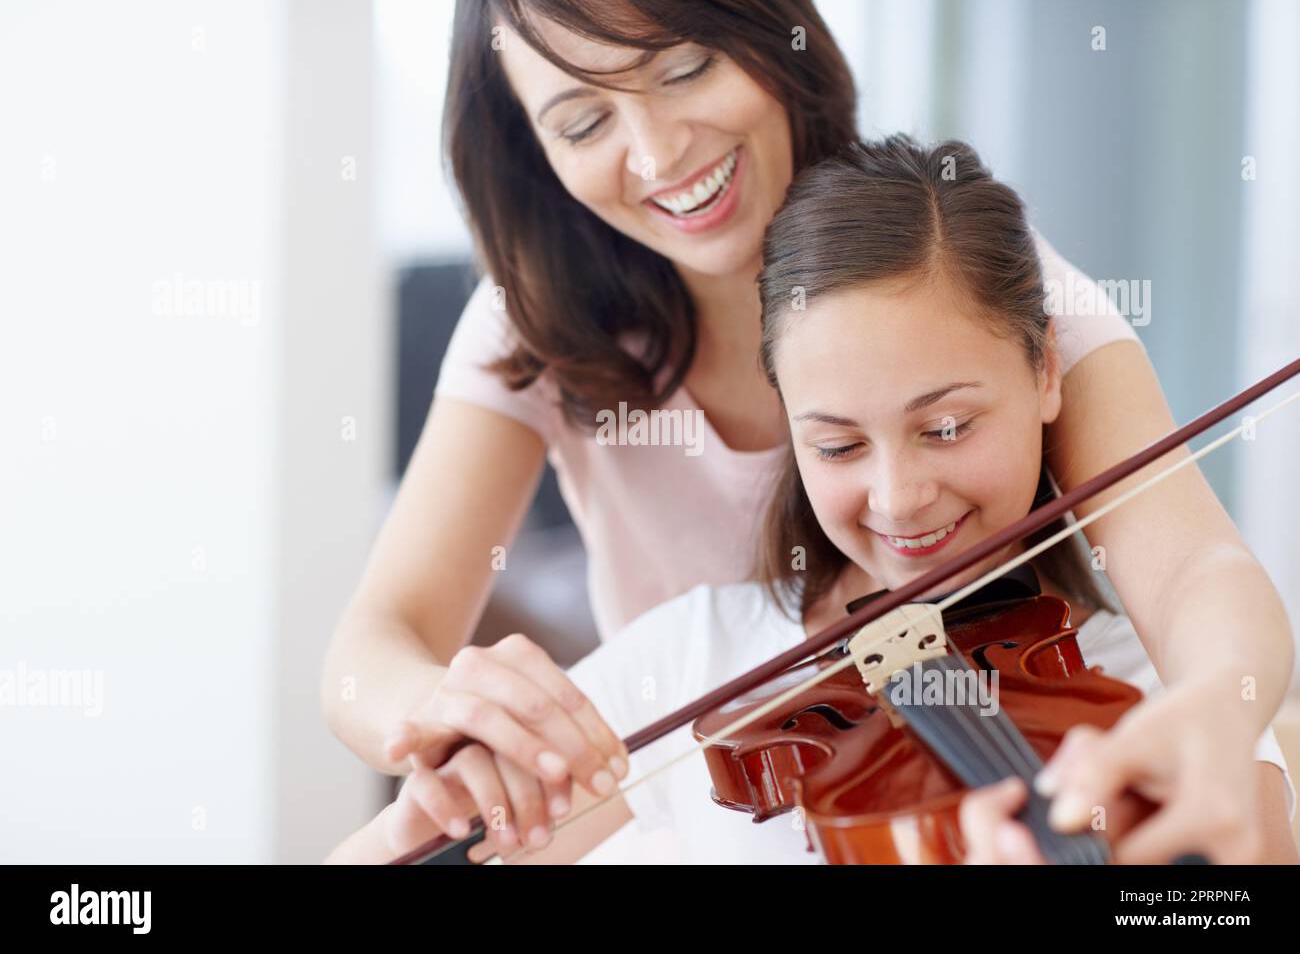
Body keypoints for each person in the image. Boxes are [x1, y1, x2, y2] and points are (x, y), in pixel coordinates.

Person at [325, 137, 1296, 865]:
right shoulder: (701, 661)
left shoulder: (1153, 686)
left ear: (1047, 369)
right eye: (835, 441)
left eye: (946, 426)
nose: (899, 495)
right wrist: (421, 831)